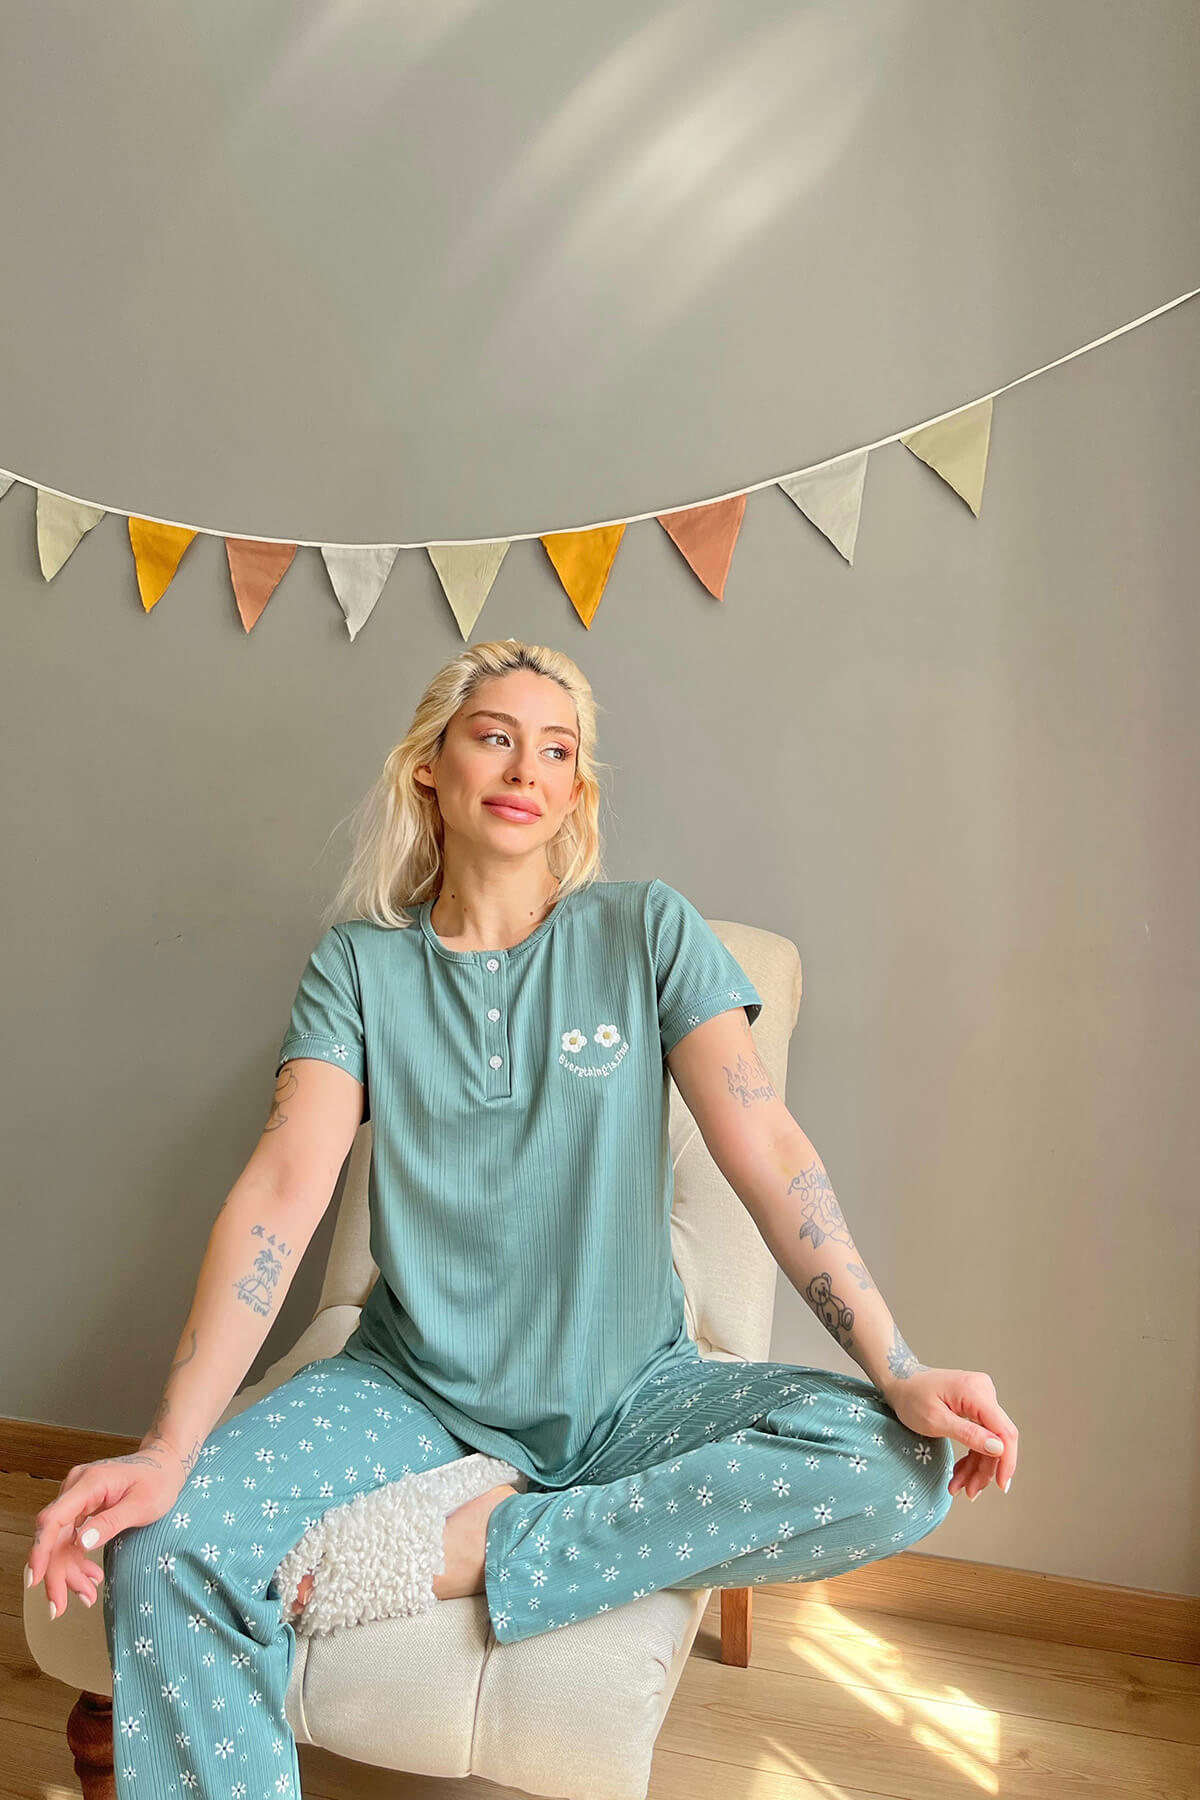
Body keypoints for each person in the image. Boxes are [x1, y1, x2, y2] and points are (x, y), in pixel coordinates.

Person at [26, 637, 1018, 1797]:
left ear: (576, 789)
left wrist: (899, 1365)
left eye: (556, 750)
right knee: (164, 1539)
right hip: (411, 1392)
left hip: (633, 1394)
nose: (524, 769)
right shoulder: (358, 968)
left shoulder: (646, 929)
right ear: (430, 766)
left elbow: (769, 1149)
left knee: (905, 1459)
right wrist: (167, 1448)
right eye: (494, 737)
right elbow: (282, 1193)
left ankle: (491, 1540)